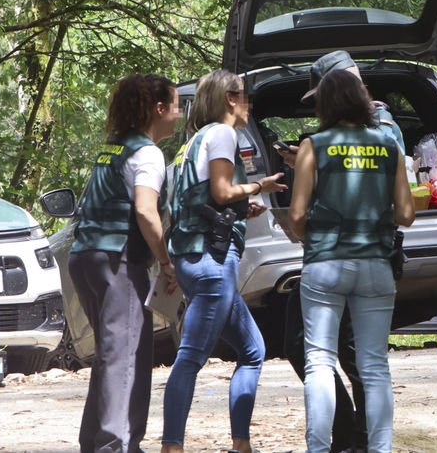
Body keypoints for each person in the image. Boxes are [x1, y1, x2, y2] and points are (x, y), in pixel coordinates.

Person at [280, 49, 406, 453]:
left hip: (325, 263)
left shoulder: (314, 146)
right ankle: (380, 448)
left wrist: (308, 236)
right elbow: (406, 213)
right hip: (375, 265)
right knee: (374, 365)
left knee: (318, 360)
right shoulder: (389, 144)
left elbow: (297, 213)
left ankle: (318, 449)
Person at [161, 70, 287, 453]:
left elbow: (202, 199)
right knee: (191, 356)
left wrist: (237, 206)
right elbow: (220, 188)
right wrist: (257, 186)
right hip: (213, 260)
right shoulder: (222, 133)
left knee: (252, 351)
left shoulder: (192, 143)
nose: (249, 104)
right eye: (245, 97)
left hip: (193, 255)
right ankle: (172, 446)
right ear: (230, 99)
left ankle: (241, 443)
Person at [69, 73, 180, 453]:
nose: (179, 114)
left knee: (110, 355)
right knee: (126, 355)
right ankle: (115, 445)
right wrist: (166, 262)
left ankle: (100, 443)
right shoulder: (147, 153)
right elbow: (147, 213)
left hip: (85, 257)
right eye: (176, 105)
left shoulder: (113, 147)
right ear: (159, 108)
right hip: (118, 260)